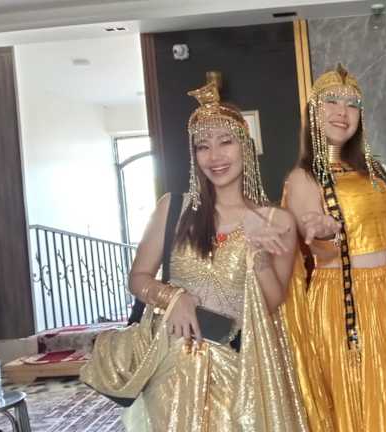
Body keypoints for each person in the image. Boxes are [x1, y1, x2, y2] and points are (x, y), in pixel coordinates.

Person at [82, 78, 308, 431]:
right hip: (173, 371)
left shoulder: (276, 220)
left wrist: (258, 255)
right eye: (203, 146)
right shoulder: (172, 208)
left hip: (239, 372)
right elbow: (137, 278)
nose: (214, 156)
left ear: (245, 146)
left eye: (225, 142)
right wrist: (173, 298)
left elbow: (273, 302)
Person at [281, 64, 386, 432]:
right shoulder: (303, 177)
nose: (342, 112)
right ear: (314, 111)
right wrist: (323, 232)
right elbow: (317, 245)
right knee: (357, 405)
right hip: (340, 304)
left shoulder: (375, 171)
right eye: (331, 101)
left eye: (352, 104)